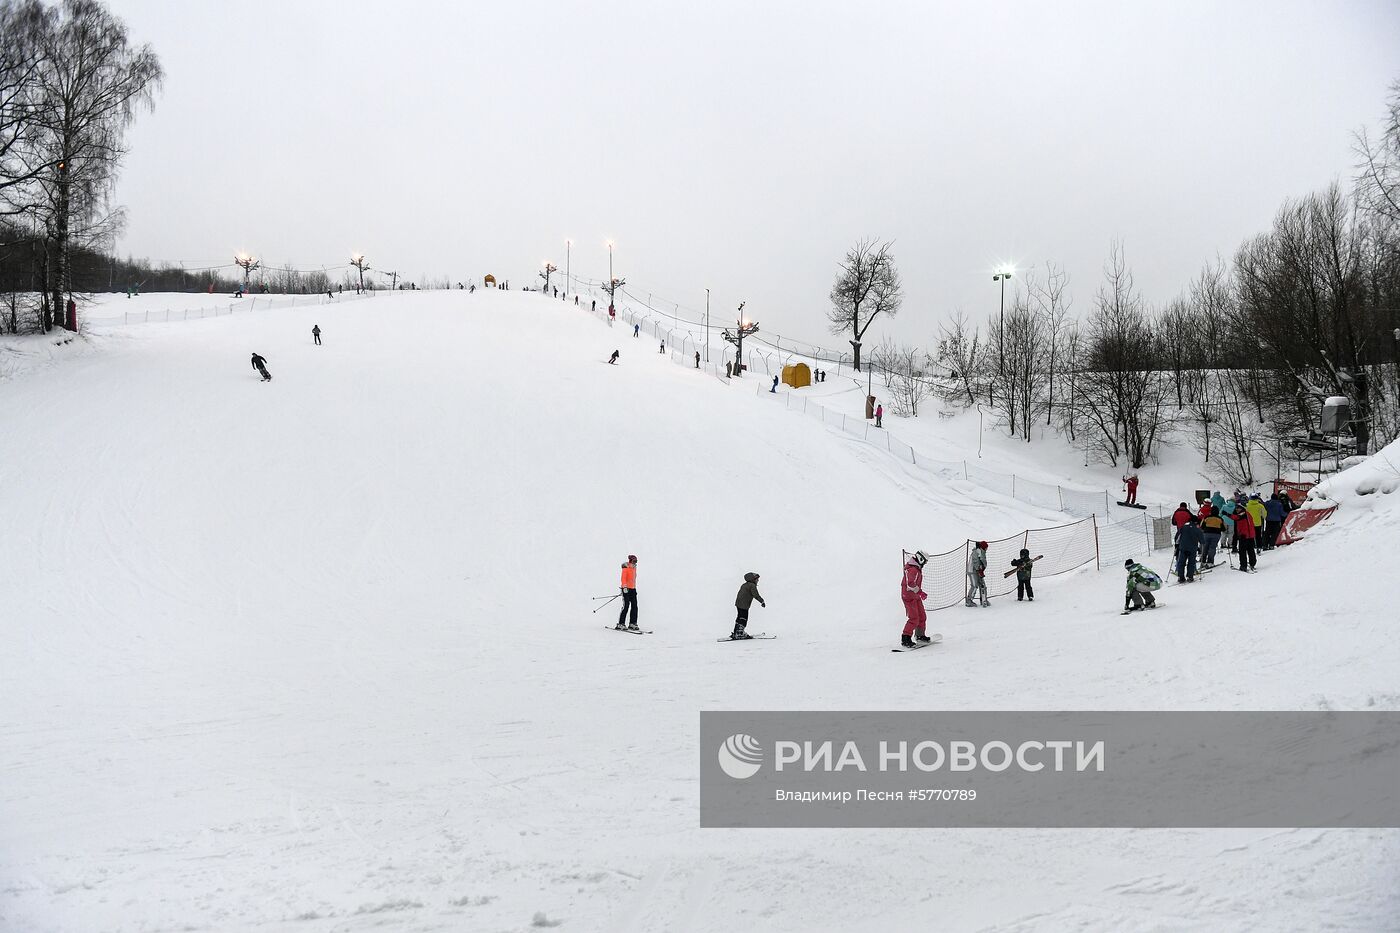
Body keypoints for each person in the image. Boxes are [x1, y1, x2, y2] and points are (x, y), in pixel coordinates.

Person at [900, 551, 931, 648]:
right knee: (914, 618)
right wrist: (920, 592)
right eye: (925, 561)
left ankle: (920, 635)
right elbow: (910, 584)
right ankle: (906, 638)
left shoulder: (916, 568)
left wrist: (919, 593)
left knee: (922, 616)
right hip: (909, 596)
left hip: (915, 596)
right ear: (921, 559)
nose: (925, 564)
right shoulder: (913, 569)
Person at [731, 572, 766, 640]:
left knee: (740, 617)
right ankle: (739, 633)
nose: (758, 580)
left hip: (738, 604)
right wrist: (762, 601)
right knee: (744, 618)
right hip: (744, 605)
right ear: (753, 579)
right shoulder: (752, 586)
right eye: (756, 579)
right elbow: (756, 595)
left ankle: (736, 632)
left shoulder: (744, 585)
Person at [1175, 516, 1204, 583]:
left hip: (1183, 547)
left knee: (1181, 562)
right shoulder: (1197, 529)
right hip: (1192, 548)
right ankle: (1190, 576)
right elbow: (1202, 541)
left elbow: (1177, 536)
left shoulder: (1183, 527)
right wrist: (1200, 548)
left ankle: (1181, 577)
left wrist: (1177, 544)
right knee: (1191, 562)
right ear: (1196, 522)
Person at [615, 555, 639, 631]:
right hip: (626, 589)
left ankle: (632, 623)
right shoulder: (626, 568)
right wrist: (624, 587)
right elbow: (623, 578)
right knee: (626, 605)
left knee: (635, 606)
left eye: (636, 561)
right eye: (634, 561)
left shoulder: (634, 568)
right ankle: (620, 624)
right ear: (630, 561)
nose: (635, 563)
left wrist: (633, 588)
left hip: (633, 589)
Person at [965, 541, 989, 608]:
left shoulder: (982, 552)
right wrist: (979, 569)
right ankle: (969, 601)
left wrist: (981, 569)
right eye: (986, 547)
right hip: (972, 571)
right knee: (974, 586)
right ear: (983, 547)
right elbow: (975, 562)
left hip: (977, 571)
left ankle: (984, 600)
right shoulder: (976, 552)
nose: (987, 549)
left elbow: (982, 561)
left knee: (983, 585)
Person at [1234, 505, 1258, 572]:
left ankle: (1243, 566)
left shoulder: (1242, 514)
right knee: (1251, 550)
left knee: (1242, 551)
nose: (1237, 510)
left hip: (1244, 536)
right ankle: (1252, 563)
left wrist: (1226, 514)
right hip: (1250, 535)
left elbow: (1235, 517)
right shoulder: (1248, 514)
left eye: (1238, 508)